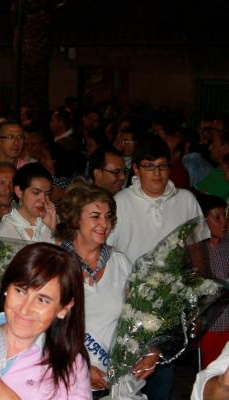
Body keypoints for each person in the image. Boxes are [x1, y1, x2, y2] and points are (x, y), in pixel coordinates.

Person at [107, 136, 209, 400]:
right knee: (126, 383)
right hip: (128, 306)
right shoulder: (120, 202)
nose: (157, 173)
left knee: (162, 380)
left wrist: (198, 304)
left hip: (170, 306)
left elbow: (197, 251)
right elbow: (106, 253)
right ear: (136, 169)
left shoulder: (185, 200)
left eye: (163, 166)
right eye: (150, 166)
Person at [0, 242, 91, 399]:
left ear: (64, 308)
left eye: (42, 300)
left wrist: (5, 395)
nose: (25, 309)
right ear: (6, 288)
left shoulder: (71, 366)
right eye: (20, 291)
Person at [57, 183, 157, 399]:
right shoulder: (55, 264)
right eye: (95, 216)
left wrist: (151, 349)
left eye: (108, 217)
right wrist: (79, 366)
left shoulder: (120, 263)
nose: (105, 224)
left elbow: (140, 315)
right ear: (75, 219)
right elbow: (43, 328)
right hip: (66, 382)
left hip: (114, 384)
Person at [194, 193, 229, 368]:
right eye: (217, 217)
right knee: (213, 373)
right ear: (204, 221)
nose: (224, 222)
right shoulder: (197, 251)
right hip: (211, 326)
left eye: (225, 216)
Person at [0, 163, 56, 243]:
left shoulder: (54, 221)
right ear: (19, 192)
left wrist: (54, 230)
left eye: (47, 194)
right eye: (36, 193)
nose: (43, 200)